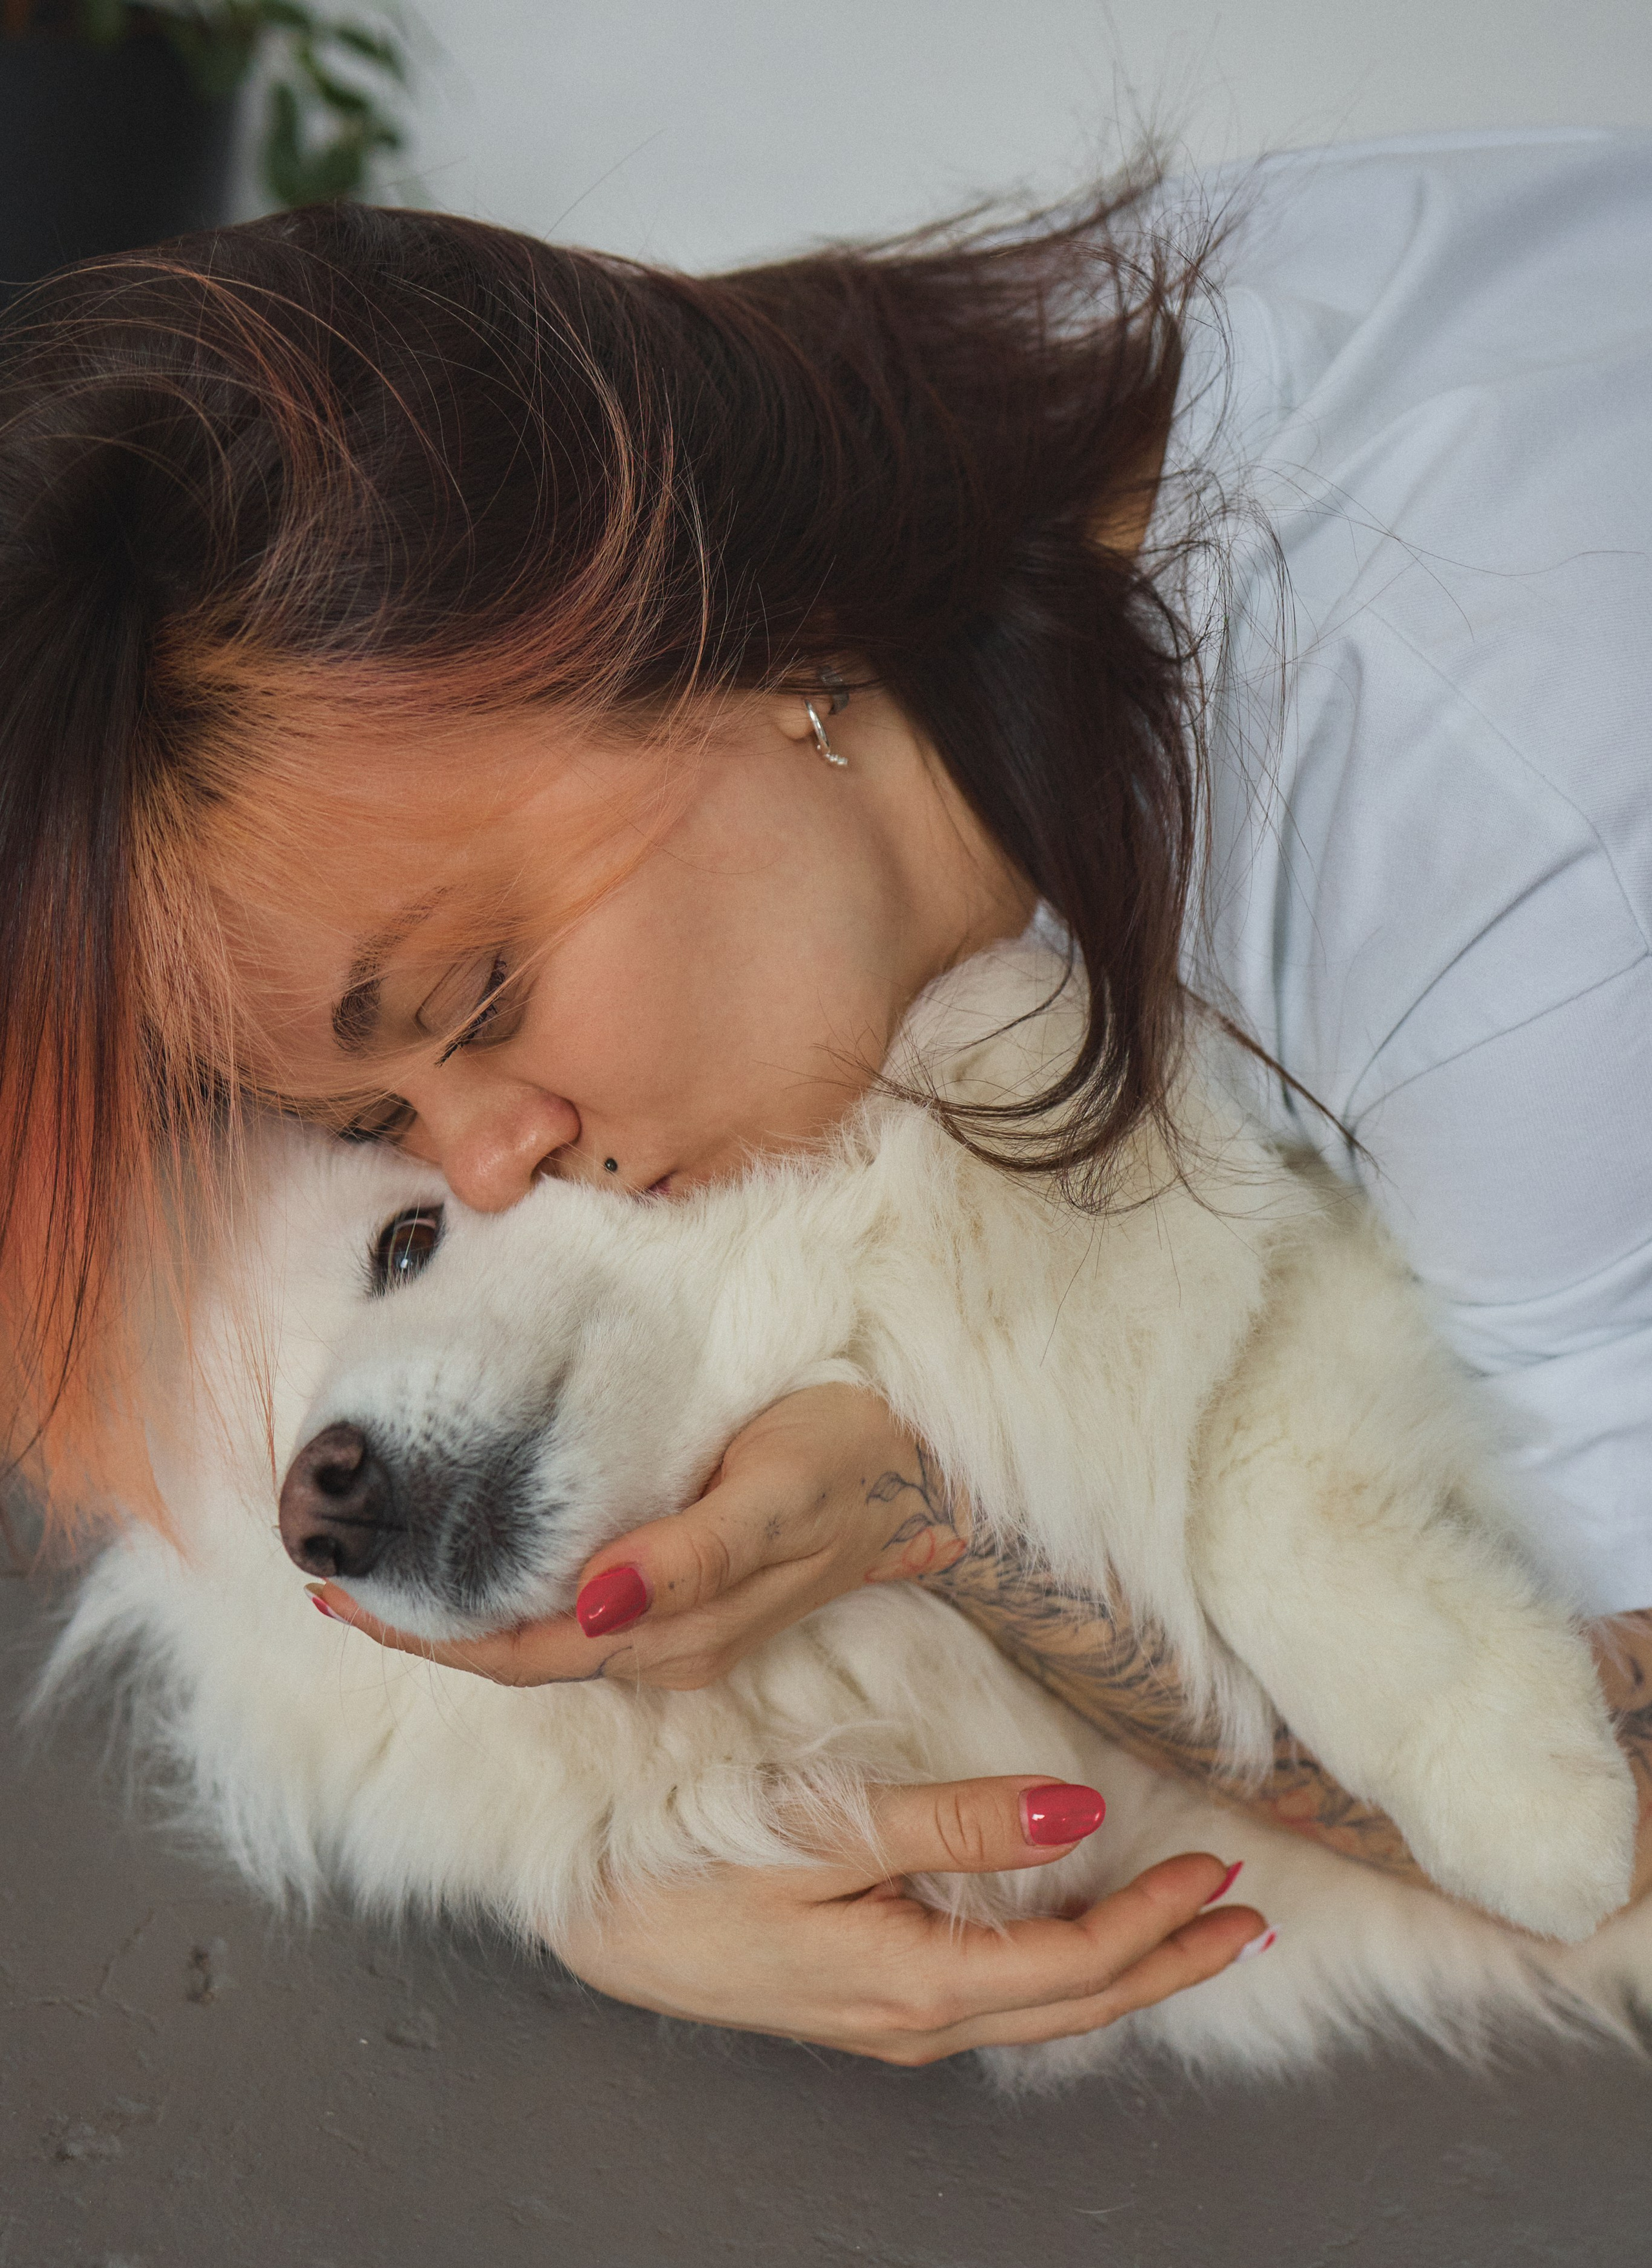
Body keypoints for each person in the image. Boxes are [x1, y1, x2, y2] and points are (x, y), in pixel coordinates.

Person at [3, 128, 1649, 2065]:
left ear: (710, 619)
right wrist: (601, 1875)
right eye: (380, 1127)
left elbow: (1588, 1821)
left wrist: (945, 1523)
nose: (500, 1152)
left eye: (478, 998)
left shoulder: (1500, 888)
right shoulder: (976, 451)